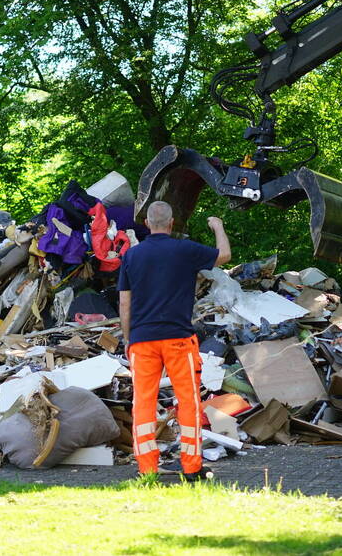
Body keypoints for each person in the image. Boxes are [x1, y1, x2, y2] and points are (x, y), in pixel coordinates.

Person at [117, 201, 231, 481]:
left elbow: (124, 301)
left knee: (143, 403)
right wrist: (217, 226)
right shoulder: (185, 250)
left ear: (146, 224)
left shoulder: (132, 256)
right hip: (179, 338)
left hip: (143, 341)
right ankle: (191, 469)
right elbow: (225, 255)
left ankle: (147, 470)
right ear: (171, 224)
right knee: (188, 401)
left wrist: (129, 338)